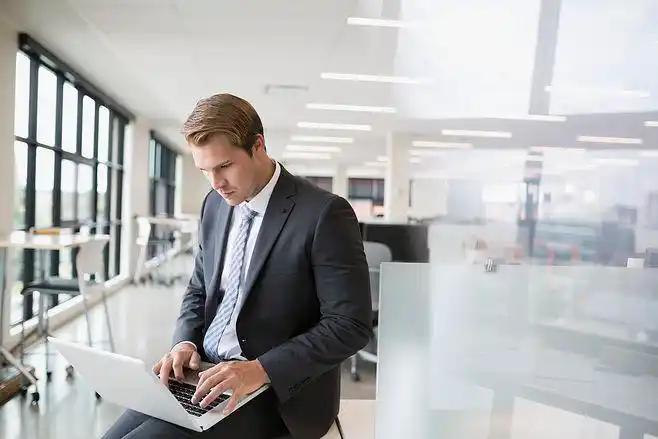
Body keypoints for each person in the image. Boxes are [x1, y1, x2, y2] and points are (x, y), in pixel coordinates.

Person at [102, 93, 373, 439]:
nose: (216, 183)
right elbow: (199, 289)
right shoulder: (214, 205)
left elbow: (350, 325)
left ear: (258, 145)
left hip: (274, 393)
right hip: (205, 373)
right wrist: (183, 344)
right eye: (205, 170)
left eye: (224, 166)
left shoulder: (323, 214)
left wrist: (259, 370)